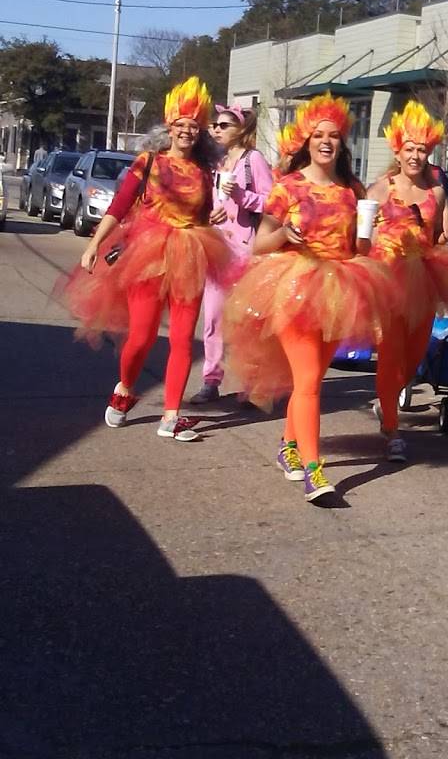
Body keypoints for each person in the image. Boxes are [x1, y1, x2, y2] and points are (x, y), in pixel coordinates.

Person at [223, 94, 393, 503]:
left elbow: (358, 248)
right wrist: (285, 236)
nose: (326, 142)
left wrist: (369, 235)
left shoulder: (352, 190)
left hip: (340, 290)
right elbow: (261, 244)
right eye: (318, 135)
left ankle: (289, 447)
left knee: (313, 380)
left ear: (342, 143)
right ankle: (315, 472)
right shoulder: (288, 187)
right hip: (295, 289)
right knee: (307, 382)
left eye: (334, 136)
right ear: (307, 141)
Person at [59, 76, 231, 441]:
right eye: (180, 124)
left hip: (190, 255)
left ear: (200, 133)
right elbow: (119, 206)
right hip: (148, 256)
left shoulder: (204, 171)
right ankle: (124, 389)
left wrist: (211, 219)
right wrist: (94, 246)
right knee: (142, 337)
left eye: (193, 126)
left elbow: (203, 214)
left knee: (184, 339)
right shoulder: (148, 161)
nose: (187, 131)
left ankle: (171, 415)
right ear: (168, 127)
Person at [366, 101, 448, 462]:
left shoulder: (436, 194)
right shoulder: (380, 189)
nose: (416, 155)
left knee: (412, 358)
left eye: (422, 150)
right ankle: (392, 431)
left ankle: (386, 402)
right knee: (390, 356)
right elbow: (362, 235)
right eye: (410, 149)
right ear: (398, 150)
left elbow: (438, 237)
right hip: (388, 277)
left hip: (424, 276)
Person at [190, 104, 273, 404]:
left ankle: (253, 384)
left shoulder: (254, 161)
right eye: (215, 124)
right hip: (218, 249)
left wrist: (240, 195)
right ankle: (211, 380)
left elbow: (272, 203)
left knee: (247, 323)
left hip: (246, 252)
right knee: (212, 318)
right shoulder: (215, 162)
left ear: (241, 130)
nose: (216, 129)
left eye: (224, 125)